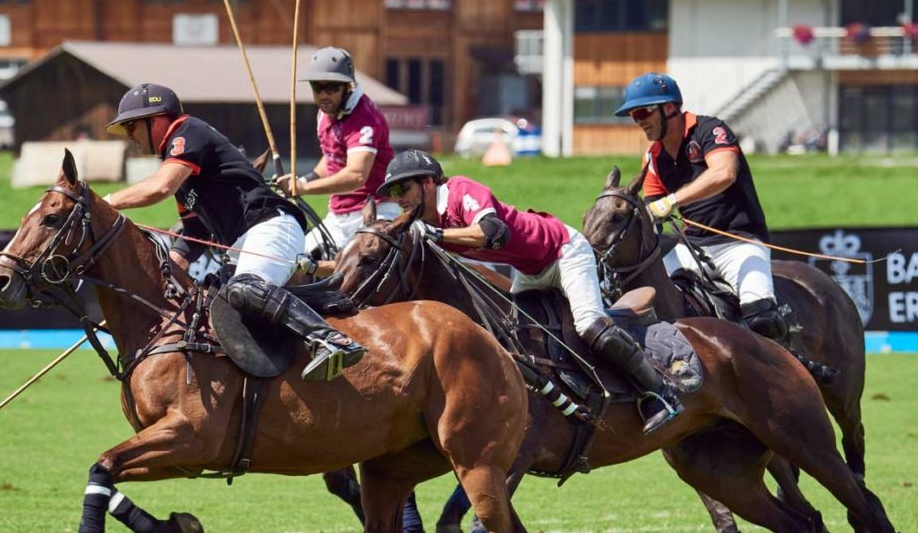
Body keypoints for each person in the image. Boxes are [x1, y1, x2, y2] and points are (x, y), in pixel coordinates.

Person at [376, 149, 683, 435]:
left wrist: (437, 234)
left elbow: (494, 232)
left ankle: (658, 392)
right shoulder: (426, 222)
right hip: (531, 270)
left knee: (589, 324)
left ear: (429, 183)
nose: (398, 198)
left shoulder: (459, 190)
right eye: (392, 193)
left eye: (403, 189)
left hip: (564, 251)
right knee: (514, 337)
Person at [104, 82, 365, 382]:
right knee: (212, 303)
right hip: (246, 241)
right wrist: (170, 270)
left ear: (157, 119)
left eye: (132, 127)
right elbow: (194, 229)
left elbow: (160, 187)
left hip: (270, 226)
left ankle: (332, 340)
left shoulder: (186, 132)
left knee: (245, 288)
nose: (131, 138)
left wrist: (106, 202)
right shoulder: (181, 166)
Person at [614, 72, 787, 341]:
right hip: (691, 247)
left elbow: (724, 173)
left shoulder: (709, 131)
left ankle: (785, 375)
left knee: (762, 317)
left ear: (669, 108)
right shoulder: (652, 157)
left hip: (739, 243)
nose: (639, 122)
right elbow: (652, 207)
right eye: (634, 116)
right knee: (648, 303)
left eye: (643, 113)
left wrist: (671, 201)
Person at [275, 46, 400, 256]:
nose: (323, 95)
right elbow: (332, 157)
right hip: (337, 217)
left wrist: (304, 189)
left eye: (331, 88)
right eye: (317, 87)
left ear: (347, 86)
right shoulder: (325, 114)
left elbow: (356, 175)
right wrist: (303, 180)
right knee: (294, 261)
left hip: (374, 214)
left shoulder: (365, 119)